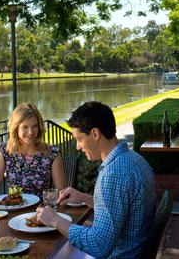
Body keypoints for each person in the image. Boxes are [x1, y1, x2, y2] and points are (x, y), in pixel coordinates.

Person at [36, 101, 155, 259]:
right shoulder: (135, 159)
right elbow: (120, 208)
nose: (78, 146)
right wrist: (85, 198)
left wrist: (55, 220)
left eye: (79, 139)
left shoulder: (113, 175)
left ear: (95, 134)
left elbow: (99, 245)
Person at [0, 103, 66, 203]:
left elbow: (61, 193)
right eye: (25, 127)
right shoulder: (6, 151)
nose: (31, 132)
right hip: (13, 212)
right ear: (16, 128)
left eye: (34, 126)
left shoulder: (51, 153)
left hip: (42, 214)